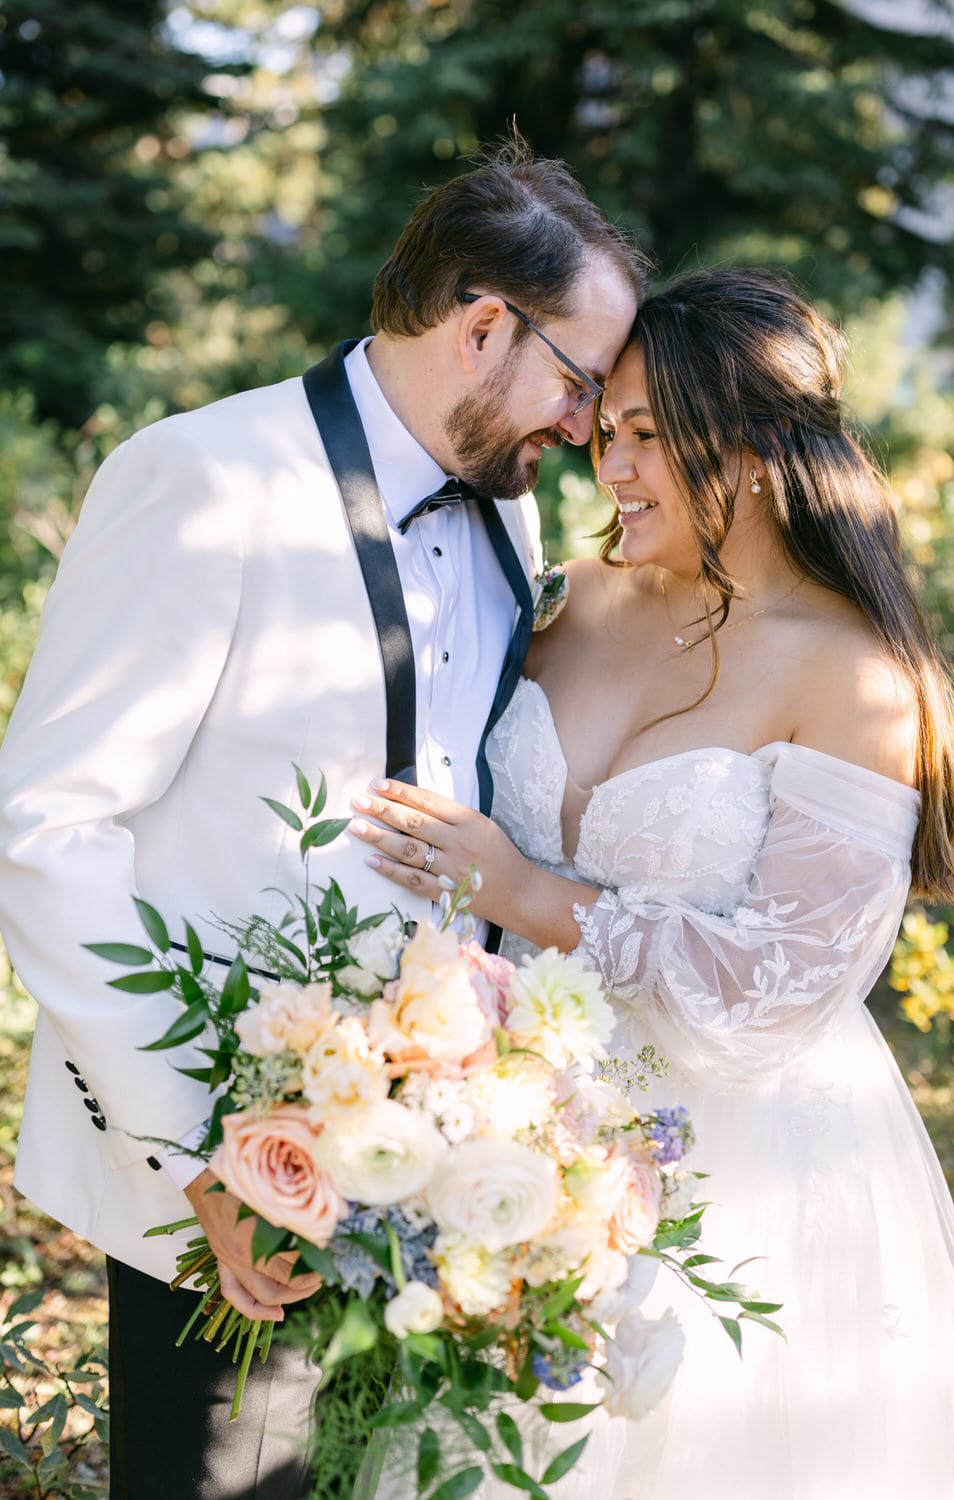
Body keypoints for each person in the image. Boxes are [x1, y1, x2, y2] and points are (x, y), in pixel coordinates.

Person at [0, 141, 644, 1498]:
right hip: (221, 1195)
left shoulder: (509, 523)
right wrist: (203, 1163)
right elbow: (47, 829)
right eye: (581, 382)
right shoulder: (204, 480)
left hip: (430, 1192)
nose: (590, 429)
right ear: (482, 325)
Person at [348, 267, 954, 1498]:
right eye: (605, 429)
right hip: (512, 1129)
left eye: (648, 437)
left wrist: (528, 894)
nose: (609, 466)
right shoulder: (570, 598)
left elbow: (779, 993)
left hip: (736, 1174)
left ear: (751, 451)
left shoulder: (853, 677)